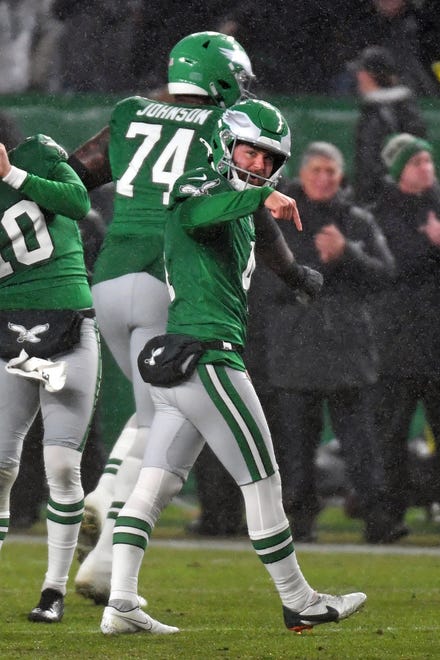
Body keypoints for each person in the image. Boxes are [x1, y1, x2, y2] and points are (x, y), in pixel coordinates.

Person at [99, 98, 366, 636]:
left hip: (184, 366)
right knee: (263, 482)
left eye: (270, 160)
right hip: (209, 358)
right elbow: (199, 213)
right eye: (252, 152)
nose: (260, 166)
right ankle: (300, 600)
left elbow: (257, 235)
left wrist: (295, 276)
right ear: (225, 144)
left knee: (154, 488)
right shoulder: (200, 186)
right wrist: (261, 194)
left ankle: (121, 604)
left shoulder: (240, 202)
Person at [68, 31, 257, 605]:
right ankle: (106, 565)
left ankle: (102, 492)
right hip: (165, 276)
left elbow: (74, 177)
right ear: (221, 77)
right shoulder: (226, 129)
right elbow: (242, 202)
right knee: (169, 418)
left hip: (108, 277)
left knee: (153, 411)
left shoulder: (129, 113)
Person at [256, 141, 399, 544]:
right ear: (302, 174)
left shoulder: (356, 221)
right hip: (294, 348)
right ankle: (299, 523)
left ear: (341, 176)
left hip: (347, 350)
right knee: (296, 446)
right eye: (316, 170)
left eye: (331, 172)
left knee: (362, 446)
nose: (323, 179)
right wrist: (317, 272)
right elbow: (266, 282)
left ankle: (379, 519)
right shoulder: (279, 219)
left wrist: (347, 253)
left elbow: (386, 275)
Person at [0, 133, 100, 622]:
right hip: (8, 336)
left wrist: (11, 176)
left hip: (69, 324)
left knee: (61, 466)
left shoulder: (37, 153)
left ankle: (53, 590)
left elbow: (78, 200)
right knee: (0, 466)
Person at [370, 132, 440, 532]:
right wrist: (433, 245)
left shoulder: (436, 203)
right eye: (417, 163)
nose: (427, 168)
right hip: (397, 345)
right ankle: (388, 516)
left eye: (429, 161)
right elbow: (395, 262)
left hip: (435, 344)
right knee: (389, 436)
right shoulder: (383, 211)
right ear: (400, 171)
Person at [349, 45, 427, 206]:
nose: (358, 76)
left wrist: (375, 197)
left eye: (361, 71)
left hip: (390, 205)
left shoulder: (393, 111)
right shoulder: (383, 108)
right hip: (381, 202)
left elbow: (376, 165)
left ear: (370, 74)